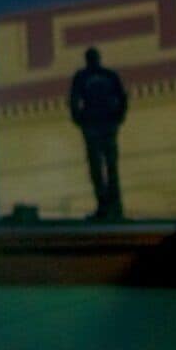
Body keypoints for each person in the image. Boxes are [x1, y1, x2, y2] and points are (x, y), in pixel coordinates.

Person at [66, 46, 129, 221]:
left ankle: (110, 207)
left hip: (98, 126)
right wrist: (118, 116)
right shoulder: (106, 75)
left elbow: (74, 100)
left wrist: (79, 118)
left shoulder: (86, 76)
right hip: (100, 126)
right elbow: (122, 98)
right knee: (105, 168)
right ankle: (109, 207)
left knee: (104, 168)